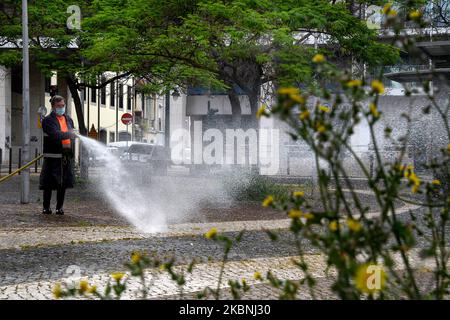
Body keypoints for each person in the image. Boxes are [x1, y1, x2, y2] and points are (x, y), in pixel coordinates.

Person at [39, 95, 77, 215]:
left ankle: (59, 207)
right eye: (58, 106)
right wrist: (69, 135)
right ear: (53, 106)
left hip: (65, 156)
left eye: (63, 106)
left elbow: (71, 132)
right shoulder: (48, 121)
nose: (61, 108)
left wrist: (74, 134)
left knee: (63, 183)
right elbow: (55, 135)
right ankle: (46, 207)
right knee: (48, 183)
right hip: (52, 156)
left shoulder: (68, 119)